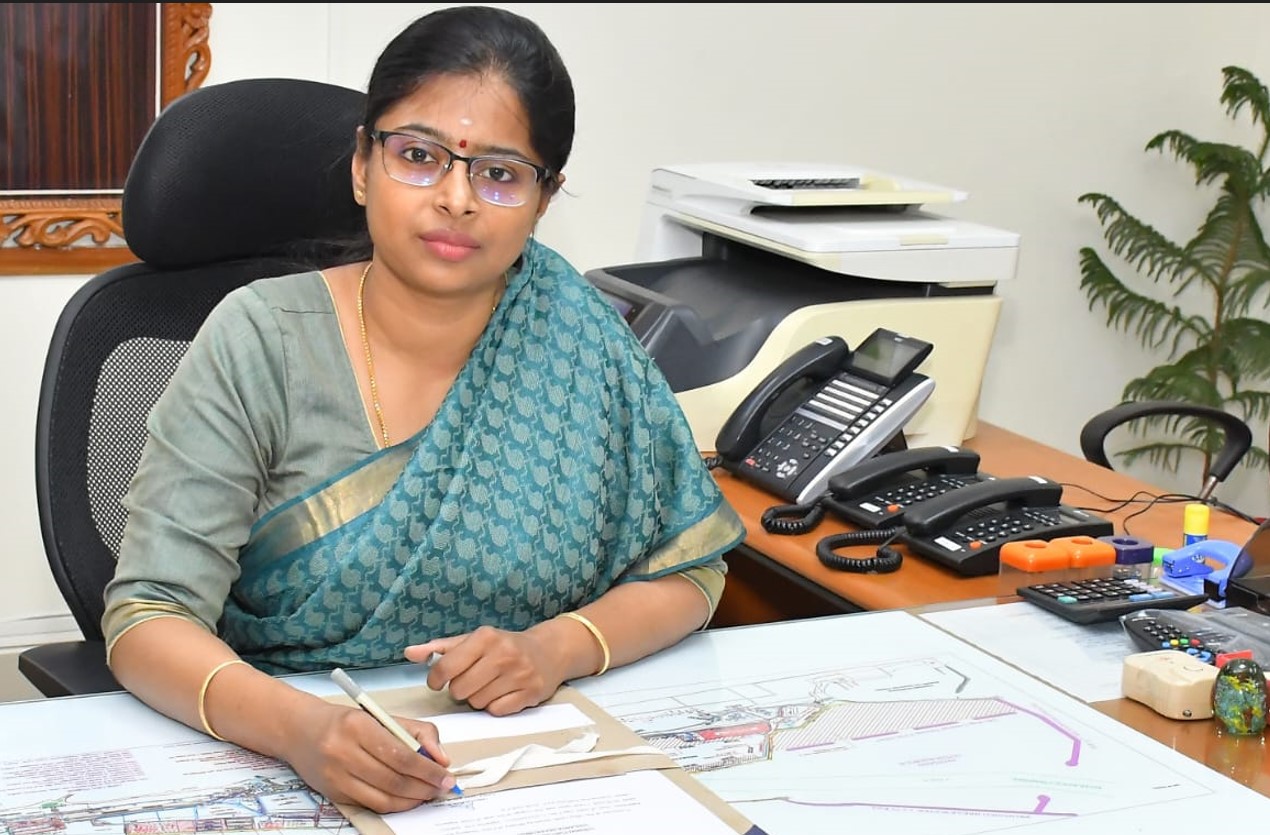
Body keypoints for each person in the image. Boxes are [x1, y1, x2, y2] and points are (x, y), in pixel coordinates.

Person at [101, 4, 745, 816]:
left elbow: (690, 567)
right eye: (418, 156)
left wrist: (556, 647)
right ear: (362, 166)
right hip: (275, 745)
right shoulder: (260, 338)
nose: (456, 197)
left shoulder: (580, 337)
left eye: (500, 173)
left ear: (543, 199)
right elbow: (148, 615)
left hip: (524, 765)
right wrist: (300, 729)